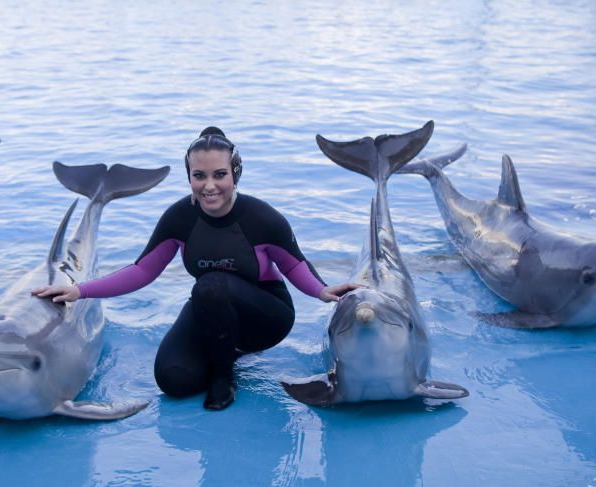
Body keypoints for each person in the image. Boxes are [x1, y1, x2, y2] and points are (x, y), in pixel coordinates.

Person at [32, 127, 360, 410]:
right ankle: (224, 353)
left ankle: (223, 380)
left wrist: (321, 290)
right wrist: (78, 290)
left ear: (235, 174)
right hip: (211, 310)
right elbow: (142, 271)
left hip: (266, 316)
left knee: (211, 284)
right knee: (173, 380)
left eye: (219, 174)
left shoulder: (261, 218)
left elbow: (294, 264)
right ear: (189, 176)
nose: (209, 185)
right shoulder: (179, 218)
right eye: (198, 175)